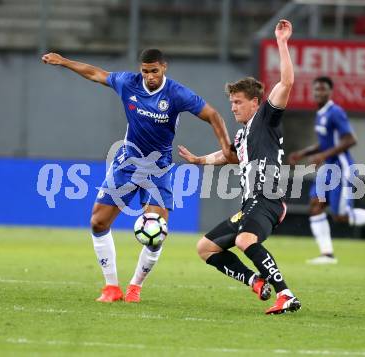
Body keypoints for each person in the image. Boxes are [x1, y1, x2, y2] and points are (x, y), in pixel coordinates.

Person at [42, 49, 233, 302]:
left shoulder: (176, 93)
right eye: (145, 71)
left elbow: (213, 115)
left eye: (154, 71)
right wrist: (64, 62)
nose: (150, 76)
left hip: (158, 167)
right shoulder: (128, 83)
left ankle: (135, 287)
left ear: (164, 68)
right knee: (98, 222)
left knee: (156, 232)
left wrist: (227, 148)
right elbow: (95, 73)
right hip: (127, 162)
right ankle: (111, 287)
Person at [178, 20, 301, 315]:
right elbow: (230, 157)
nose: (233, 107)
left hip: (268, 197)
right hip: (250, 203)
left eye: (238, 102)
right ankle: (256, 281)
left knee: (246, 240)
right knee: (205, 248)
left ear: (255, 103)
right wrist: (199, 160)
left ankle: (285, 294)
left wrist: (282, 42)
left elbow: (286, 83)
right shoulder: (244, 132)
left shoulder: (265, 119)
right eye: (231, 102)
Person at [288, 76, 365, 264]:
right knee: (316, 204)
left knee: (342, 216)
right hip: (328, 169)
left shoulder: (336, 112)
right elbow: (325, 143)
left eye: (323, 89)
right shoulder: (321, 113)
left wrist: (323, 156)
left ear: (330, 91)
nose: (318, 92)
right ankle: (327, 254)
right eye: (316, 89)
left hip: (342, 169)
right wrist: (303, 152)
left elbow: (350, 139)